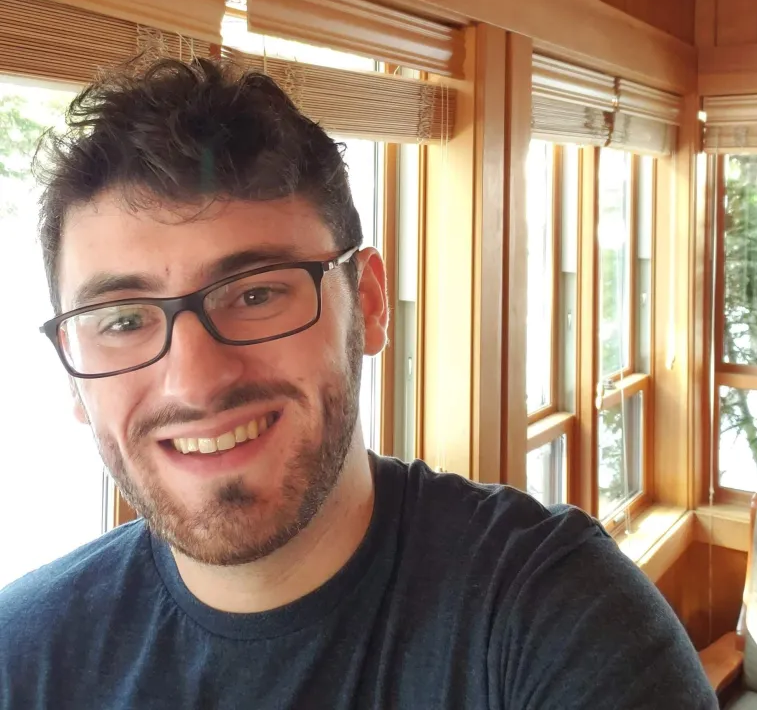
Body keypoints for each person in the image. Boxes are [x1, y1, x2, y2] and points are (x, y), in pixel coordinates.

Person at [0, 57, 716, 709]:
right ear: (70, 366)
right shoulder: (23, 656)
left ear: (368, 305)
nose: (196, 380)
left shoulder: (556, 620)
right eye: (122, 320)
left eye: (254, 295)